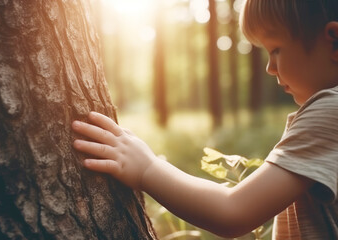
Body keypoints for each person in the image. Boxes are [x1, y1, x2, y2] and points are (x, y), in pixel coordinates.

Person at [71, 0, 338, 239]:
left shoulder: (330, 109)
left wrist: (147, 169)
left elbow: (234, 212)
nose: (270, 67)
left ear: (334, 40)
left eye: (276, 49)